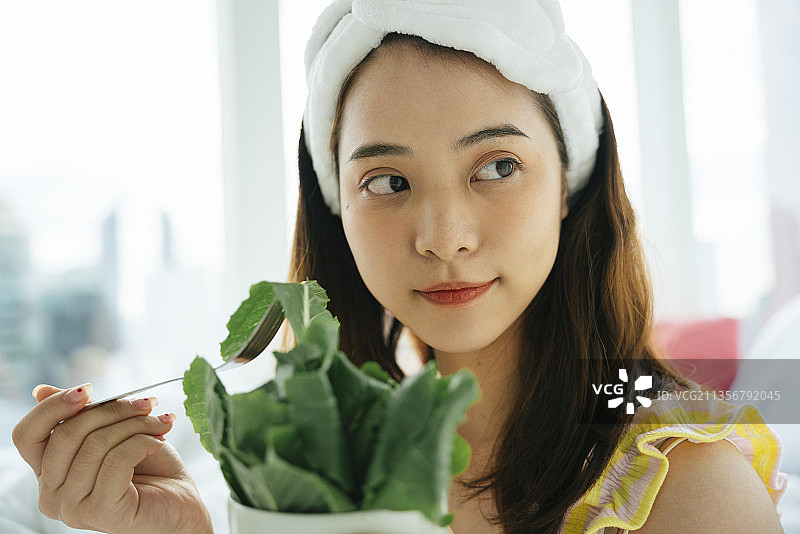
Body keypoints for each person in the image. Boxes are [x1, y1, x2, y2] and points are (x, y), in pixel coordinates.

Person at [11, 1, 788, 533]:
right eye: (388, 182)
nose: (443, 236)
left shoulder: (689, 487)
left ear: (569, 184)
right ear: (337, 211)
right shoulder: (307, 481)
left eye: (497, 166)